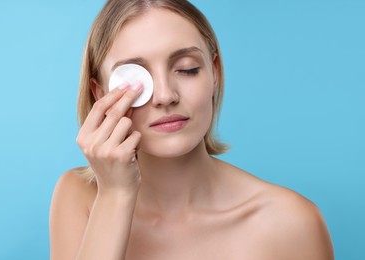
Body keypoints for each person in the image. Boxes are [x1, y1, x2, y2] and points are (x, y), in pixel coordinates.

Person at [49, 0, 334, 259]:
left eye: (186, 69)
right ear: (100, 94)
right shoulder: (79, 198)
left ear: (215, 74)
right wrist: (114, 196)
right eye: (135, 79)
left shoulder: (291, 222)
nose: (165, 95)